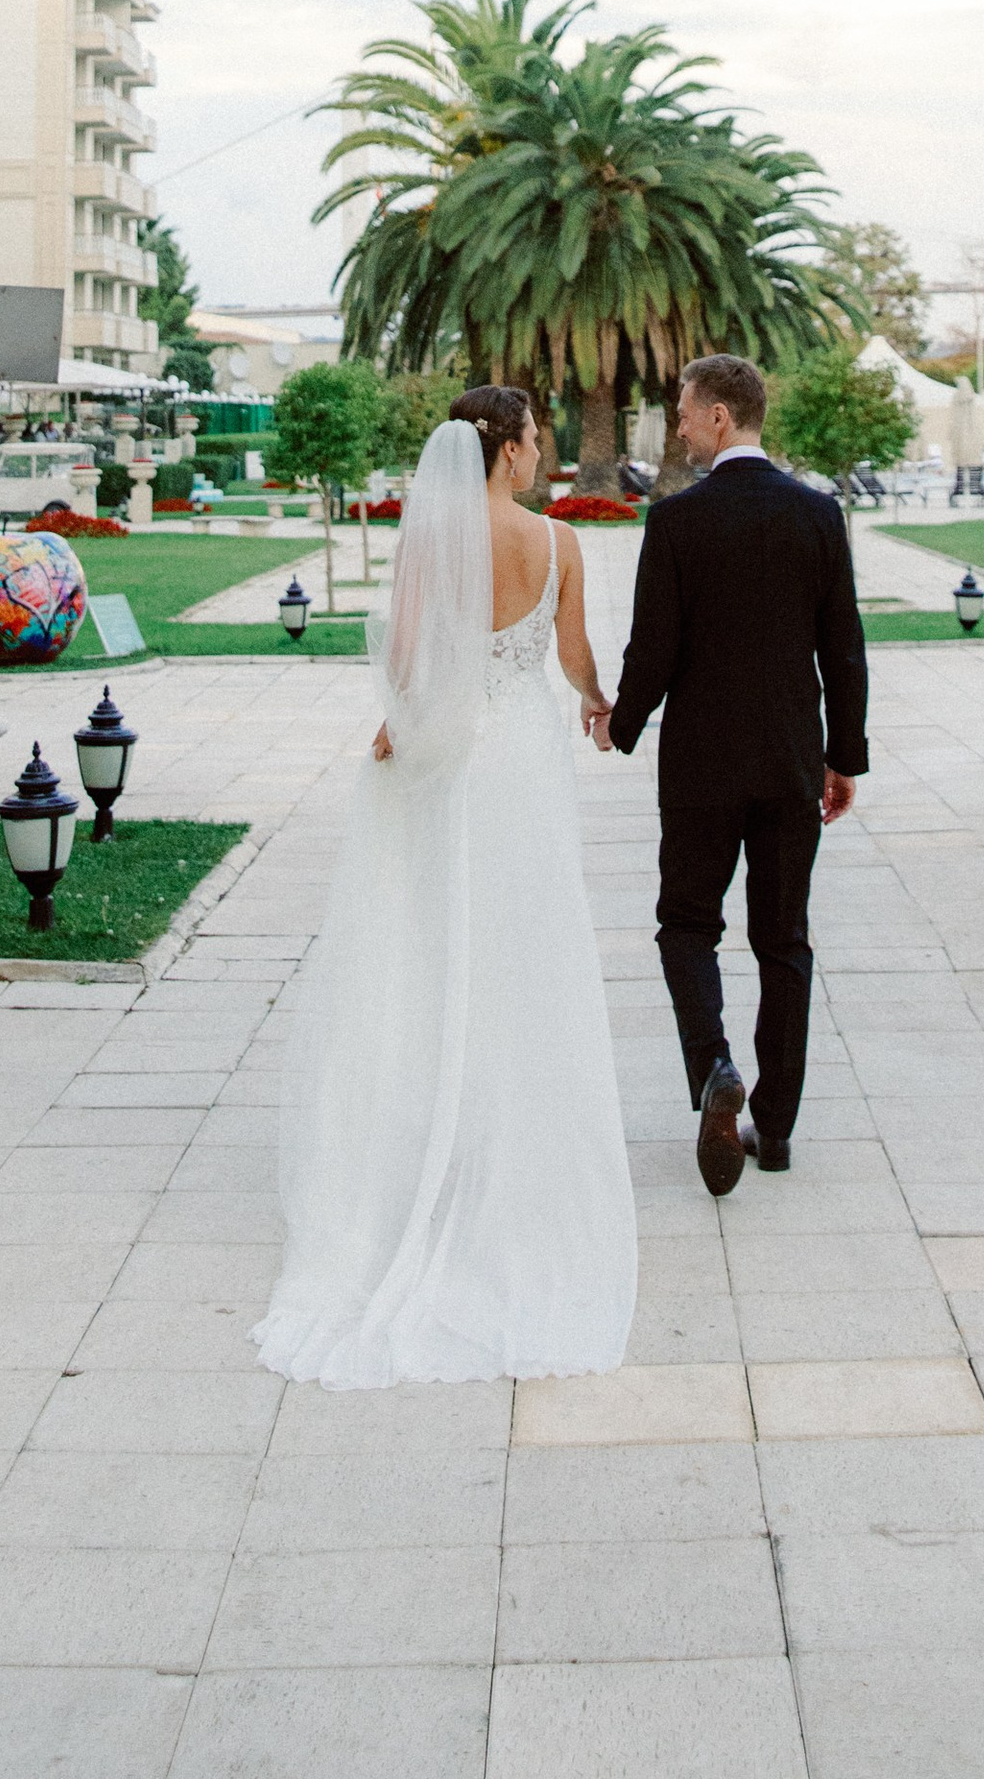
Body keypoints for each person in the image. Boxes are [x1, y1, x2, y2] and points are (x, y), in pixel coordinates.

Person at [255, 384, 637, 1386]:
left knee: (434, 937)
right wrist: (601, 703)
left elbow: (415, 654)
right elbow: (567, 657)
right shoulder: (557, 543)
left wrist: (399, 728)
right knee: (524, 934)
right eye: (535, 436)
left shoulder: (429, 541)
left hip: (451, 756)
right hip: (522, 756)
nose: (541, 448)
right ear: (507, 449)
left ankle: (434, 1119)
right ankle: (510, 1128)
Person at [594, 352, 869, 1197]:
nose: (676, 424)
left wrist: (621, 720)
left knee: (686, 924)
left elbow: (656, 647)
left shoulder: (676, 522)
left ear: (720, 417)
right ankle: (775, 1129)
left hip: (702, 767)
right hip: (790, 761)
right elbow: (843, 648)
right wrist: (843, 756)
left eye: (683, 409)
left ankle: (713, 1066)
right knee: (783, 940)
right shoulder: (818, 515)